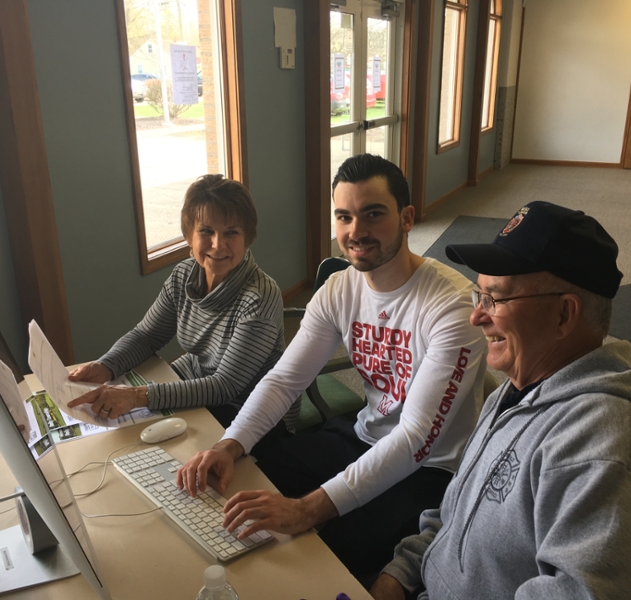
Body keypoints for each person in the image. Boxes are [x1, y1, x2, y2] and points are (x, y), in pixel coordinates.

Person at [176, 154, 488, 583]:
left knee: (329, 563)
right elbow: (286, 380)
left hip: (430, 468)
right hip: (361, 434)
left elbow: (416, 438)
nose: (356, 232)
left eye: (373, 214)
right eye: (344, 217)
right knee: (241, 482)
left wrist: (308, 508)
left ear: (407, 218)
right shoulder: (339, 289)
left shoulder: (452, 306)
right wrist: (229, 445)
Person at [371, 201, 631, 600]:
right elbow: (455, 511)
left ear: (563, 315)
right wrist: (399, 575)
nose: (477, 317)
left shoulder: (607, 450)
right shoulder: (513, 391)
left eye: (496, 299)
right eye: (479, 295)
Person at [67, 174, 298, 430]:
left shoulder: (260, 297)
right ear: (189, 235)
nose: (218, 244)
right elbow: (147, 335)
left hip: (248, 411)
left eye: (231, 232)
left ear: (247, 237)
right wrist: (107, 365)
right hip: (196, 384)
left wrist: (136, 396)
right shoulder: (184, 275)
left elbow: (226, 386)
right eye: (206, 231)